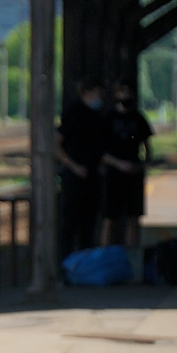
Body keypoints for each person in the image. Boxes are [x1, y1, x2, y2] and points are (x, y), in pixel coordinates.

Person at [56, 78, 108, 259]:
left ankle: (85, 263)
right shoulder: (74, 113)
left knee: (89, 224)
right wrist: (73, 166)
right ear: (88, 93)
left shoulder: (97, 116)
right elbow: (57, 144)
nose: (101, 96)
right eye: (99, 92)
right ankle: (66, 262)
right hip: (74, 177)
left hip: (92, 177)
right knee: (70, 223)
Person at [101, 84, 152, 246]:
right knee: (110, 217)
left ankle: (132, 254)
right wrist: (118, 164)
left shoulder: (138, 118)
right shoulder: (108, 118)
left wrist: (141, 165)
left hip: (133, 174)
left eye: (128, 92)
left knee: (133, 217)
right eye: (122, 92)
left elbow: (148, 147)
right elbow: (100, 151)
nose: (126, 96)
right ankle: (106, 253)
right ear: (116, 94)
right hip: (113, 174)